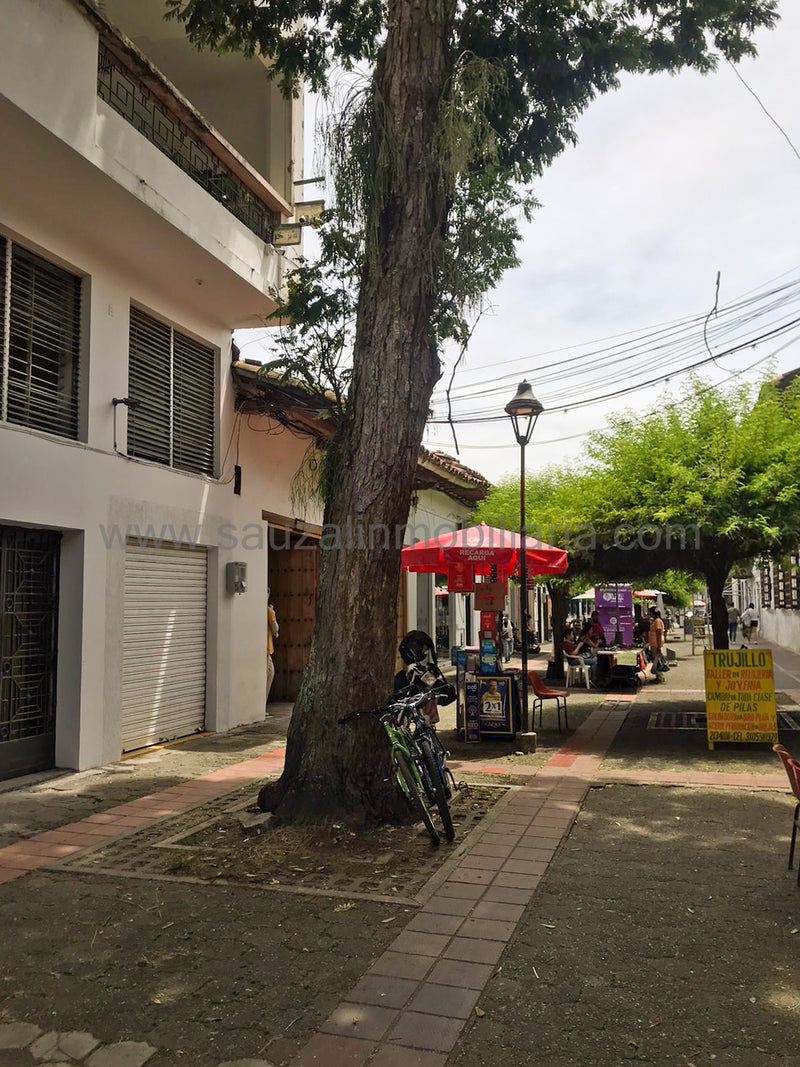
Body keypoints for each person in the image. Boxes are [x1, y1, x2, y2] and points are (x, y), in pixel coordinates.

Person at [266, 592, 279, 709]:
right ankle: (262, 705)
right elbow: (275, 628)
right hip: (266, 649)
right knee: (270, 673)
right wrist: (272, 611)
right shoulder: (269, 611)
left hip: (262, 649)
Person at [647, 608, 669, 681]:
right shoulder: (656, 621)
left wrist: (659, 646)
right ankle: (658, 676)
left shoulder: (657, 621)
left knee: (657, 660)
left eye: (651, 613)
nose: (650, 615)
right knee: (656, 660)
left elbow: (659, 634)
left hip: (656, 644)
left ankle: (660, 677)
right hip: (654, 643)